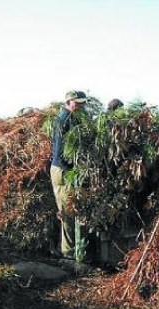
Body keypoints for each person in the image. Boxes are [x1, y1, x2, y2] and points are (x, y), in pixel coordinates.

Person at [50, 90, 92, 273]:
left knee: (74, 209)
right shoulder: (63, 120)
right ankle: (68, 253)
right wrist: (73, 170)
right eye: (78, 103)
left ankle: (76, 250)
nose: (81, 106)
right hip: (63, 171)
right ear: (69, 102)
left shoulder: (71, 118)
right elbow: (60, 153)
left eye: (83, 103)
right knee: (67, 211)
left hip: (67, 170)